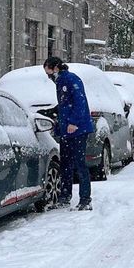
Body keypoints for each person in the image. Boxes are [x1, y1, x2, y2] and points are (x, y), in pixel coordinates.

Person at [44, 56, 93, 210]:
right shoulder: (60, 81)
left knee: (80, 163)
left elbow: (79, 102)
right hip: (66, 130)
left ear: (56, 68)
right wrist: (51, 112)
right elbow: (65, 104)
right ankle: (65, 196)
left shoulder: (71, 79)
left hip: (78, 129)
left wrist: (73, 122)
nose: (49, 77)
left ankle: (85, 199)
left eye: (49, 73)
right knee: (66, 163)